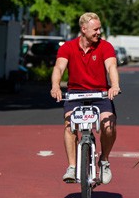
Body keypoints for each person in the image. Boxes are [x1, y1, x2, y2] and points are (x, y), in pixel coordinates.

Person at [50, 12, 121, 184]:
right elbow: (59, 68)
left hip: (100, 94)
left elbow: (111, 66)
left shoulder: (105, 47)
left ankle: (104, 160)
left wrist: (114, 85)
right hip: (75, 94)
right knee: (69, 126)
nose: (99, 32)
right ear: (84, 29)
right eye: (95, 29)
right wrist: (55, 86)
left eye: (99, 29)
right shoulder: (67, 47)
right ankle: (72, 167)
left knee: (109, 126)